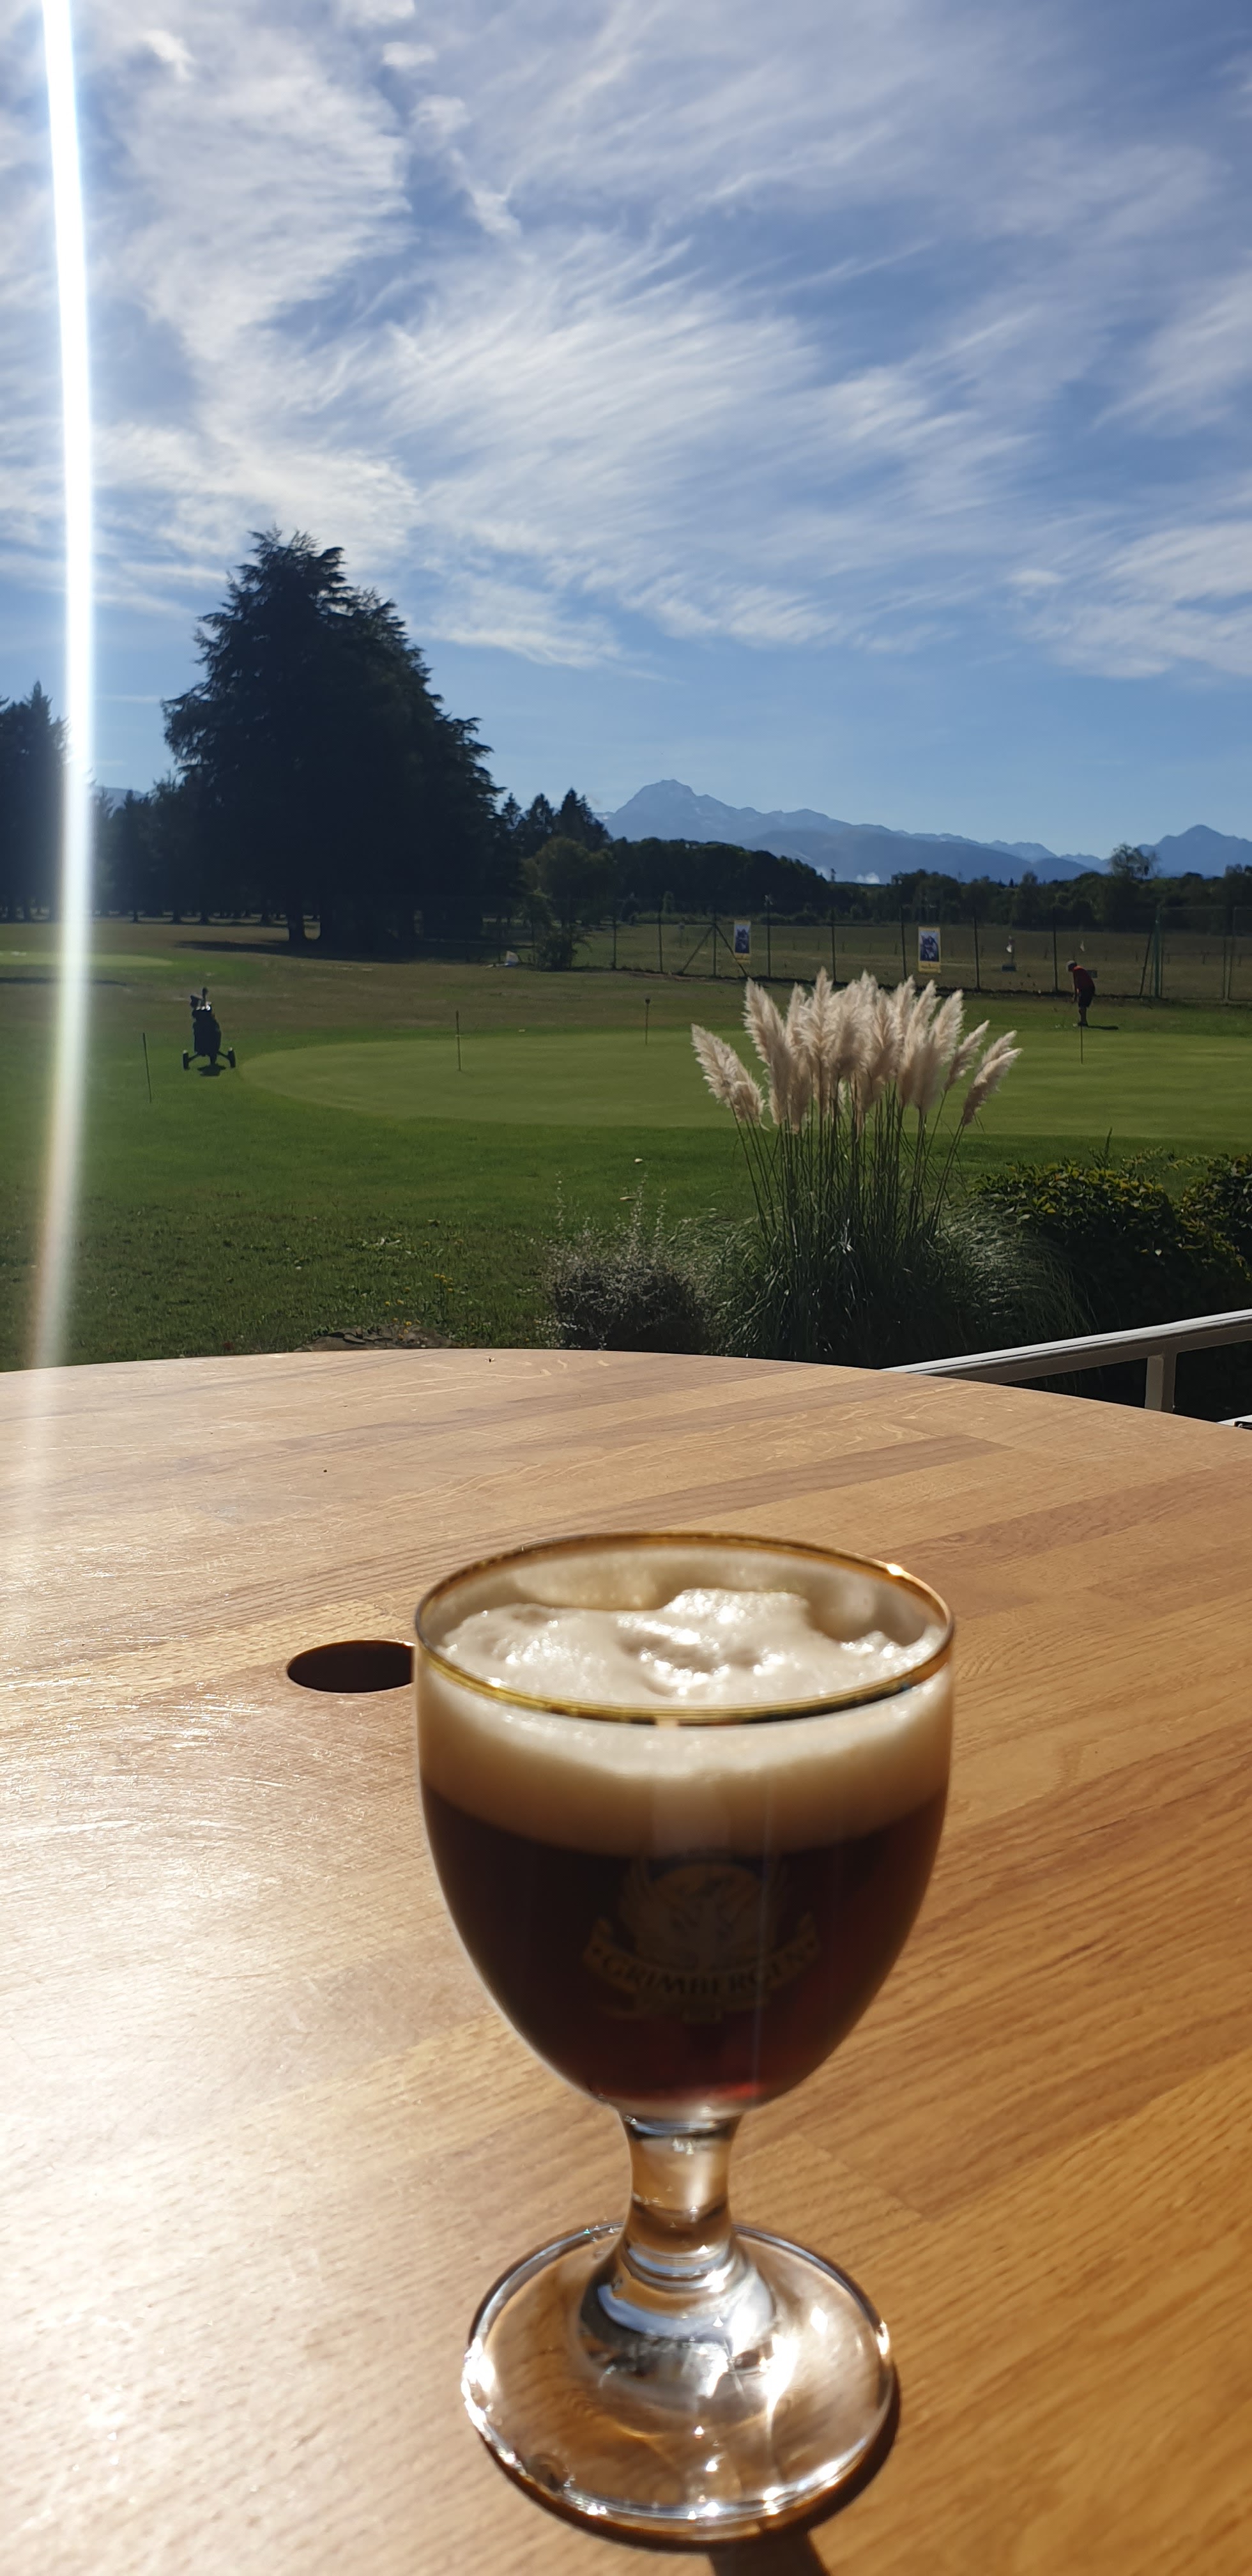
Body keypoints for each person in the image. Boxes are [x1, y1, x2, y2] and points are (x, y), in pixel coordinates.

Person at [1067, 960, 1096, 1027]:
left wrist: (1075, 995)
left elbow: (1076, 983)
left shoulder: (1076, 970)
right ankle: (1083, 1021)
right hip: (1088, 989)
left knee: (1082, 1006)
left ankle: (1084, 1022)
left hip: (1087, 989)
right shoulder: (1079, 969)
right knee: (1082, 1006)